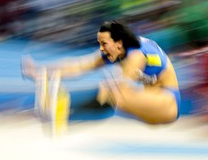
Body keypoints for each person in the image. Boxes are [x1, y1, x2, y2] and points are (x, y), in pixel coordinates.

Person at [22, 20, 181, 131]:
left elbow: (122, 85)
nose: (101, 49)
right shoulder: (119, 49)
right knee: (112, 92)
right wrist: (41, 71)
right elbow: (80, 65)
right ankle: (63, 114)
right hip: (150, 108)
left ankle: (65, 113)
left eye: (104, 44)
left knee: (113, 90)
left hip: (168, 104)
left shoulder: (136, 54)